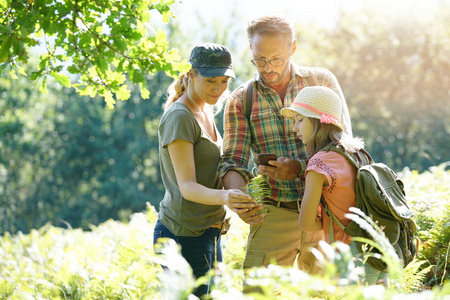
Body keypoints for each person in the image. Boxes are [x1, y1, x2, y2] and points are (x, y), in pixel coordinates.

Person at [219, 16, 352, 272]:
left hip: (328, 213)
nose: (267, 68)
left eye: (277, 59)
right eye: (260, 59)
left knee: (328, 294)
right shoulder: (240, 100)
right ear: (250, 49)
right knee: (258, 293)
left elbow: (346, 148)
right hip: (274, 213)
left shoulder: (321, 83)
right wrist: (238, 198)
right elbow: (233, 160)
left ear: (292, 48)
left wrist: (301, 168)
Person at [153, 43, 256, 298]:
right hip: (182, 233)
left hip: (209, 229)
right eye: (211, 80)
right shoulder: (180, 116)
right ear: (191, 73)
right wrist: (227, 197)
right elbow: (187, 187)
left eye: (224, 81)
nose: (218, 89)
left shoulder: (206, 107)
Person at [280, 86, 389, 286]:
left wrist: (331, 224)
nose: (294, 128)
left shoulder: (318, 164)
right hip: (378, 247)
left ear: (318, 122)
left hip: (351, 254)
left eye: (300, 120)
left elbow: (305, 223)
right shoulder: (357, 153)